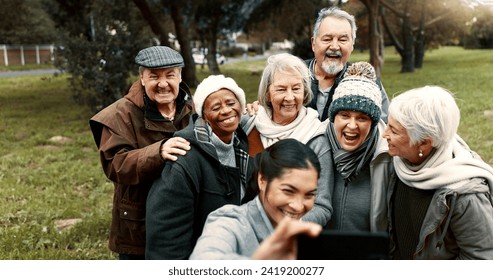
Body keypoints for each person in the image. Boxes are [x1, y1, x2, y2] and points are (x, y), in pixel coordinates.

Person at [89, 46, 193, 260]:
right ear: (142, 78)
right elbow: (115, 164)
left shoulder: (193, 109)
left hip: (182, 221)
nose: (163, 84)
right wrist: (159, 151)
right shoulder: (119, 114)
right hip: (138, 224)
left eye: (170, 75)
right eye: (154, 76)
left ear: (180, 77)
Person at [145, 74, 254, 260]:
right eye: (216, 107)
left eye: (231, 103)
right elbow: (167, 237)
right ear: (204, 116)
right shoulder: (184, 158)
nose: (226, 111)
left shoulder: (242, 145)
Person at [383, 86, 493, 259]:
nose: (384, 134)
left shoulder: (466, 196)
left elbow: (481, 259)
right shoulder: (400, 162)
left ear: (424, 144)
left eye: (393, 131)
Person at [190, 139, 323, 260]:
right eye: (288, 191)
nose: (298, 206)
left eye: (309, 195)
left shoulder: (303, 234)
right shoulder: (231, 221)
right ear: (262, 180)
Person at [242, 52, 331, 226]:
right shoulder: (248, 125)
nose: (290, 97)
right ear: (267, 93)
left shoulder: (317, 138)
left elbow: (322, 207)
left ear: (305, 91)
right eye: (281, 89)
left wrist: (281, 224)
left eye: (296, 88)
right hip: (246, 229)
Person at [309, 61, 394, 232]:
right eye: (344, 115)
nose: (352, 125)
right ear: (334, 117)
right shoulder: (315, 144)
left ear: (373, 123)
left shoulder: (386, 156)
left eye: (362, 118)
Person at [306, 6, 389, 122]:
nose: (334, 46)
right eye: (327, 39)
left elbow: (383, 129)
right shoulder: (293, 75)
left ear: (352, 45)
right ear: (313, 43)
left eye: (342, 40)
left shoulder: (369, 84)